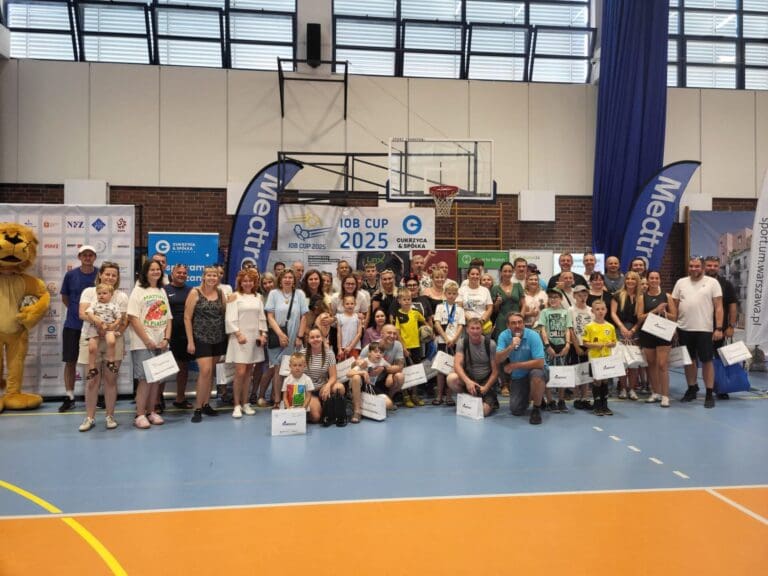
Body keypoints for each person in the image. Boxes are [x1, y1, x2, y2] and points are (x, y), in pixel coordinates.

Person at [76, 261, 127, 431]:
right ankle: (89, 418)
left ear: (117, 277)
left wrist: (113, 330)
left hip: (113, 340)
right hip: (91, 337)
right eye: (107, 274)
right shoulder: (89, 292)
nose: (110, 277)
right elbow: (82, 313)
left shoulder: (121, 296)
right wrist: (97, 322)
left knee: (111, 380)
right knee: (92, 380)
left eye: (114, 275)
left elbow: (123, 320)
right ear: (100, 275)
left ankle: (110, 416)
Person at [672, 257, 724, 408]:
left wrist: (719, 328)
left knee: (707, 361)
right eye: (691, 266)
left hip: (705, 329)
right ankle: (691, 388)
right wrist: (673, 326)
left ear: (702, 268)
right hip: (684, 328)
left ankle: (709, 393)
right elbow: (674, 306)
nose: (693, 269)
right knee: (689, 361)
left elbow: (719, 307)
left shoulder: (712, 283)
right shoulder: (680, 282)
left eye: (696, 266)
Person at [127, 259, 173, 429]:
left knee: (156, 379)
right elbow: (133, 317)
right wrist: (147, 339)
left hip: (160, 342)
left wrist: (166, 339)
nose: (155, 272)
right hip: (143, 343)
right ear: (145, 272)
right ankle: (140, 414)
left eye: (158, 269)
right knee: (145, 379)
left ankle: (151, 411)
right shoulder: (138, 290)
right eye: (152, 269)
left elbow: (168, 318)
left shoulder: (161, 290)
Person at [185, 266, 228, 423]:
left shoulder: (221, 293)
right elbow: (187, 318)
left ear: (218, 278)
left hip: (218, 338)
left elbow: (226, 313)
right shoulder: (195, 292)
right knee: (205, 371)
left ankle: (206, 404)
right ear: (203, 277)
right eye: (209, 275)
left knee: (210, 374)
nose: (212, 278)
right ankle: (198, 407)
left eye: (214, 275)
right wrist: (190, 341)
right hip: (200, 337)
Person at [59, 244, 98, 412]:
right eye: (84, 255)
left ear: (94, 257)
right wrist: (77, 312)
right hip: (73, 325)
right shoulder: (70, 275)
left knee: (95, 362)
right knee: (70, 361)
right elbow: (65, 297)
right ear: (79, 257)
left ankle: (95, 395)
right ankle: (70, 396)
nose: (87, 257)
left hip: (94, 326)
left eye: (90, 255)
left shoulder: (100, 274)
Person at [225, 268, 267, 418]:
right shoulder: (234, 296)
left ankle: (245, 403)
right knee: (240, 372)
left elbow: (262, 318)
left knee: (249, 373)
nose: (248, 283)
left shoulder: (258, 297)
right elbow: (229, 318)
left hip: (254, 339)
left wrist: (263, 335)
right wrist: (238, 334)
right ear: (240, 282)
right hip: (239, 338)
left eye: (250, 281)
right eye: (245, 281)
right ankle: (236, 405)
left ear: (255, 282)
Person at [265, 269, 309, 406]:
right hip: (277, 336)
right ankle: (277, 401)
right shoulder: (273, 294)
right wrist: (280, 334)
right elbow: (270, 316)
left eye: (290, 277)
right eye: (285, 277)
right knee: (278, 369)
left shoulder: (300, 294)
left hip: (294, 338)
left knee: (295, 369)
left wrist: (299, 337)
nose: (288, 280)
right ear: (280, 280)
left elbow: (304, 317)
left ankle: (295, 402)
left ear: (294, 281)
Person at [495, 311, 547, 424]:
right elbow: (498, 359)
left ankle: (536, 408)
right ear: (508, 325)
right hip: (519, 375)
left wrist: (515, 365)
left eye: (520, 322)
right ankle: (537, 394)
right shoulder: (504, 335)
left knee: (536, 374)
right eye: (513, 323)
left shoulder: (533, 335)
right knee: (516, 409)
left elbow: (540, 363)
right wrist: (511, 346)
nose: (517, 325)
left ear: (524, 323)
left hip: (537, 371)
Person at [636, 270, 677, 407]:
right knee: (652, 364)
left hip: (663, 333)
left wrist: (664, 312)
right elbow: (640, 317)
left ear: (660, 280)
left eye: (656, 278)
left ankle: (665, 395)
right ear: (647, 280)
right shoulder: (642, 298)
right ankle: (656, 392)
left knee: (662, 364)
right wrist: (655, 310)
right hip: (648, 333)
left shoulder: (667, 296)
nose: (654, 280)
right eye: (651, 278)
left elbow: (674, 317)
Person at [446, 317, 499, 417]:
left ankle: (489, 400)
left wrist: (486, 387)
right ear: (467, 330)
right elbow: (457, 365)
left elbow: (495, 371)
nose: (475, 331)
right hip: (470, 379)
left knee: (483, 412)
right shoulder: (462, 343)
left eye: (478, 328)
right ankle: (467, 397)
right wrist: (467, 381)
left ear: (482, 329)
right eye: (472, 328)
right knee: (451, 378)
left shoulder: (490, 344)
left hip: (486, 382)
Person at [703, 256, 739, 399]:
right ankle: (694, 387)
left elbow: (732, 306)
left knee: (719, 358)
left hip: (719, 329)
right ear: (704, 266)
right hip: (699, 327)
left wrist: (731, 326)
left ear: (718, 267)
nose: (712, 268)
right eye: (709, 265)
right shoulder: (697, 282)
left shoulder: (726, 284)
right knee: (700, 359)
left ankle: (721, 388)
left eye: (715, 265)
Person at [535, 289, 573, 412]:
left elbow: (568, 329)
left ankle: (561, 400)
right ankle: (550, 400)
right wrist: (547, 345)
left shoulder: (566, 312)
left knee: (561, 373)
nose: (553, 299)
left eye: (556, 297)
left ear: (561, 299)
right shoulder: (544, 312)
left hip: (562, 345)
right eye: (551, 297)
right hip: (549, 346)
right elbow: (542, 329)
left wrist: (568, 344)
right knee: (547, 373)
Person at [163, 264, 194, 409]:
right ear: (172, 273)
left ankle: (180, 399)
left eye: (184, 273)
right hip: (167, 334)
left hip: (184, 335)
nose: (181, 275)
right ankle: (157, 400)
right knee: (163, 368)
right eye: (179, 272)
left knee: (183, 367)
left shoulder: (191, 290)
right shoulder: (164, 290)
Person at [356, 324, 405, 410]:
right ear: (382, 334)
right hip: (369, 380)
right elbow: (356, 363)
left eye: (394, 333)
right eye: (389, 333)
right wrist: (363, 366)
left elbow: (400, 366)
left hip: (383, 378)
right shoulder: (371, 346)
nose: (392, 336)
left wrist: (386, 371)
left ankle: (390, 397)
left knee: (400, 376)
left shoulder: (398, 345)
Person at [303, 327, 345, 426]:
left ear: (322, 338)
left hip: (322, 387)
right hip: (309, 391)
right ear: (308, 340)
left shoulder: (329, 354)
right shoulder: (302, 354)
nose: (315, 339)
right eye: (312, 337)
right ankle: (324, 409)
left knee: (339, 388)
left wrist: (328, 386)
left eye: (318, 337)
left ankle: (337, 413)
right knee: (316, 417)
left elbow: (333, 376)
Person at [582, 300, 618, 416]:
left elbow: (614, 342)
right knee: (597, 381)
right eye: (597, 309)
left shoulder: (610, 326)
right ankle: (597, 405)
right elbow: (585, 342)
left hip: (606, 359)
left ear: (606, 310)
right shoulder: (589, 326)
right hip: (594, 359)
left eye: (602, 309)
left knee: (605, 381)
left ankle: (605, 405)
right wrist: (595, 345)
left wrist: (610, 344)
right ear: (592, 311)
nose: (600, 311)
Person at [432, 281, 464, 405]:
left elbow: (461, 325)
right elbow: (437, 323)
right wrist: (446, 338)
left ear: (457, 295)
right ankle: (439, 396)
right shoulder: (440, 307)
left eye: (454, 293)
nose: (451, 296)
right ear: (445, 294)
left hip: (456, 342)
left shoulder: (460, 309)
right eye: (449, 293)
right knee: (441, 370)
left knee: (452, 369)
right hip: (442, 341)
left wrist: (454, 339)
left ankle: (449, 396)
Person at [394, 287, 427, 407]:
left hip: (416, 346)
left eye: (409, 299)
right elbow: (397, 333)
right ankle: (405, 396)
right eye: (404, 299)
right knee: (404, 372)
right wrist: (403, 348)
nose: (407, 301)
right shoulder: (398, 314)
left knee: (415, 371)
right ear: (399, 301)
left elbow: (425, 323)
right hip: (404, 348)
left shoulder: (416, 313)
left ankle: (414, 395)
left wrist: (429, 331)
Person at [611, 271, 641, 400]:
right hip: (620, 331)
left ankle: (632, 389)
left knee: (634, 363)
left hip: (635, 331)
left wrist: (633, 330)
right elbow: (613, 313)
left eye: (633, 279)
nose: (630, 281)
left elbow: (641, 317)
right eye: (628, 278)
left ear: (637, 281)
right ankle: (623, 388)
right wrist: (621, 327)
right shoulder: (617, 295)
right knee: (622, 362)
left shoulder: (641, 297)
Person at [83, 283, 121, 383]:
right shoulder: (95, 304)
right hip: (94, 328)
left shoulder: (114, 305)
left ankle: (111, 362)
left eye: (104, 293)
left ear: (111, 295)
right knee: (92, 348)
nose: (101, 295)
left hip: (108, 327)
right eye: (99, 293)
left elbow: (119, 318)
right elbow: (89, 313)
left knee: (111, 342)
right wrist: (97, 320)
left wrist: (114, 325)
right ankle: (92, 369)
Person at [346, 342, 390, 415]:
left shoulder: (382, 361)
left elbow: (390, 368)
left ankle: (366, 406)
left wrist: (384, 369)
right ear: (369, 353)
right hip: (359, 387)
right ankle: (357, 407)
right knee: (356, 377)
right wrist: (363, 372)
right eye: (375, 352)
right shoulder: (364, 362)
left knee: (388, 404)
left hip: (371, 387)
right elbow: (348, 373)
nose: (378, 354)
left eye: (381, 352)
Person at [569, 285, 594, 410]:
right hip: (575, 344)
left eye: (585, 295)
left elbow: (594, 329)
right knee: (575, 369)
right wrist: (576, 346)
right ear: (574, 296)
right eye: (579, 295)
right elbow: (570, 329)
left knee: (586, 370)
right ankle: (576, 396)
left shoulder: (591, 310)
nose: (582, 298)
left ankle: (585, 397)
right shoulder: (570, 310)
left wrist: (589, 346)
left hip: (588, 345)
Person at [336, 294, 363, 361]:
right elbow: (339, 334)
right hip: (343, 347)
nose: (350, 305)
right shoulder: (339, 317)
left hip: (354, 347)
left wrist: (350, 347)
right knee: (342, 365)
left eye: (352, 303)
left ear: (355, 304)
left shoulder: (358, 317)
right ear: (343, 305)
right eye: (347, 304)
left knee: (354, 365)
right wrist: (339, 349)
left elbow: (359, 334)